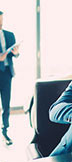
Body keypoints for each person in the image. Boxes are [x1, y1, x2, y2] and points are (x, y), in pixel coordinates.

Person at [0, 11, 20, 146]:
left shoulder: (9, 34)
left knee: (6, 104)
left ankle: (5, 131)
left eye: (1, 20)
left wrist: (16, 53)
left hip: (7, 73)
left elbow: (15, 55)